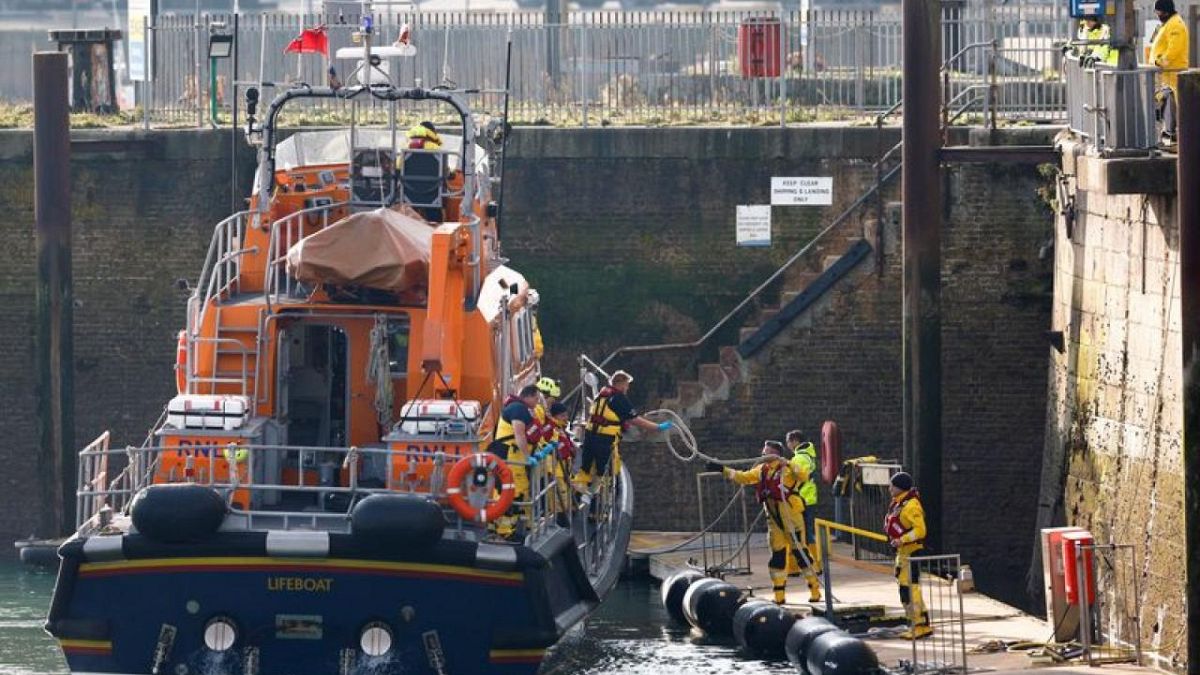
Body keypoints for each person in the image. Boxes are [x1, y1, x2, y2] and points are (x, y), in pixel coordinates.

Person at [708, 441, 822, 605]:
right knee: (777, 557)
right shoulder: (762, 470)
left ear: (775, 453)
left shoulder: (788, 468)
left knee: (800, 553)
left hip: (792, 518)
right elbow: (743, 477)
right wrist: (721, 469)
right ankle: (779, 596)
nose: (762, 455)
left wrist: (788, 463)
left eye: (766, 452)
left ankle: (815, 590)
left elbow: (804, 475)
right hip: (774, 521)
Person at [572, 370, 671, 504]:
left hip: (590, 436)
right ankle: (597, 505)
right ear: (620, 384)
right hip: (605, 439)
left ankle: (576, 496)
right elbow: (635, 419)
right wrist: (657, 427)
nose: (627, 388)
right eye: (626, 384)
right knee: (604, 471)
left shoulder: (602, 394)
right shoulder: (618, 398)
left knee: (586, 468)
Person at [885, 471, 932, 640]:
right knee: (906, 588)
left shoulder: (911, 505)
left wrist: (902, 539)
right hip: (903, 553)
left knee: (910, 588)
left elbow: (920, 530)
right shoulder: (899, 503)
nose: (889, 488)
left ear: (900, 487)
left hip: (911, 551)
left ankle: (919, 624)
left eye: (892, 485)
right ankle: (920, 622)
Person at [1149, 0, 1190, 143]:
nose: (1158, 15)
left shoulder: (1175, 25)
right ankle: (1169, 134)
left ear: (1165, 11)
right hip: (1166, 75)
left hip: (1172, 74)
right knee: (1165, 104)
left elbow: (1173, 50)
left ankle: (1172, 134)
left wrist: (1159, 62)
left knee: (1171, 104)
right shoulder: (1168, 24)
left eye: (1158, 11)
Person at [786, 430, 820, 548]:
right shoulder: (808, 455)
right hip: (808, 497)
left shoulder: (799, 458)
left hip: (802, 498)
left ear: (795, 441)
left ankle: (812, 560)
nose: (788, 445)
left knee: (805, 532)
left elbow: (799, 478)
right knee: (807, 530)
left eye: (789, 442)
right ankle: (812, 559)